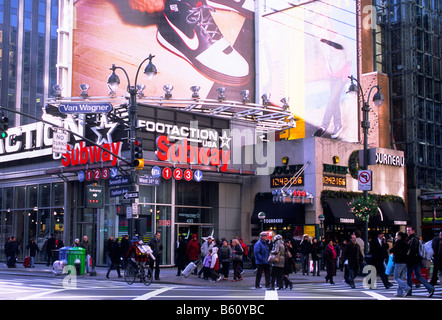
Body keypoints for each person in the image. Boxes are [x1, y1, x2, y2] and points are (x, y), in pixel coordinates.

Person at [406, 226, 435, 297]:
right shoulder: (417, 238)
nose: (408, 232)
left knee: (409, 275)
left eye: (409, 230)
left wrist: (407, 256)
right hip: (418, 259)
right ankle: (430, 288)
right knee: (418, 275)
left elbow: (412, 251)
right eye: (407, 230)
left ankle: (409, 291)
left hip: (413, 260)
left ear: (413, 231)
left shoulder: (413, 239)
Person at [390, 231, 411, 297]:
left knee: (396, 277)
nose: (395, 236)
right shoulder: (406, 243)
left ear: (399, 236)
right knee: (401, 278)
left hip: (399, 261)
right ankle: (399, 293)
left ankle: (406, 288)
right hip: (405, 261)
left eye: (396, 235)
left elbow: (392, 250)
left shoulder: (398, 242)